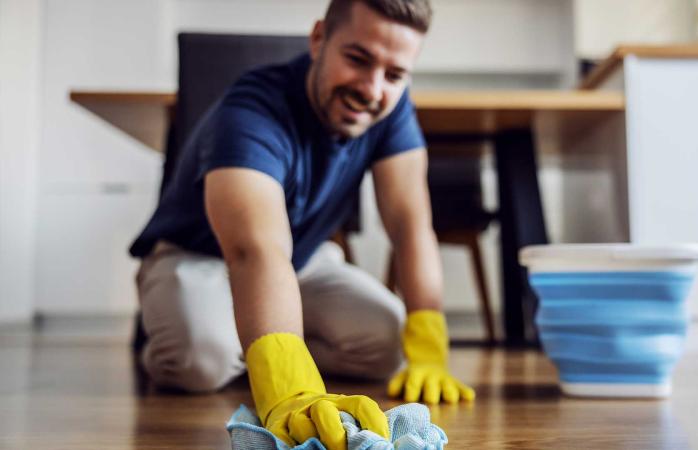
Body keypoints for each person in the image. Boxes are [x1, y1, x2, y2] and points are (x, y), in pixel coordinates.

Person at [129, 1, 473, 448]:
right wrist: (288, 385)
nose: (372, 89)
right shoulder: (251, 111)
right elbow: (254, 250)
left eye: (394, 75)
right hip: (200, 255)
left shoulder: (392, 110)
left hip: (304, 260)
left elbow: (411, 225)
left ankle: (260, 337)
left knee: (388, 342)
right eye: (358, 59)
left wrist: (429, 342)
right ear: (318, 39)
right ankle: (219, 338)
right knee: (201, 362)